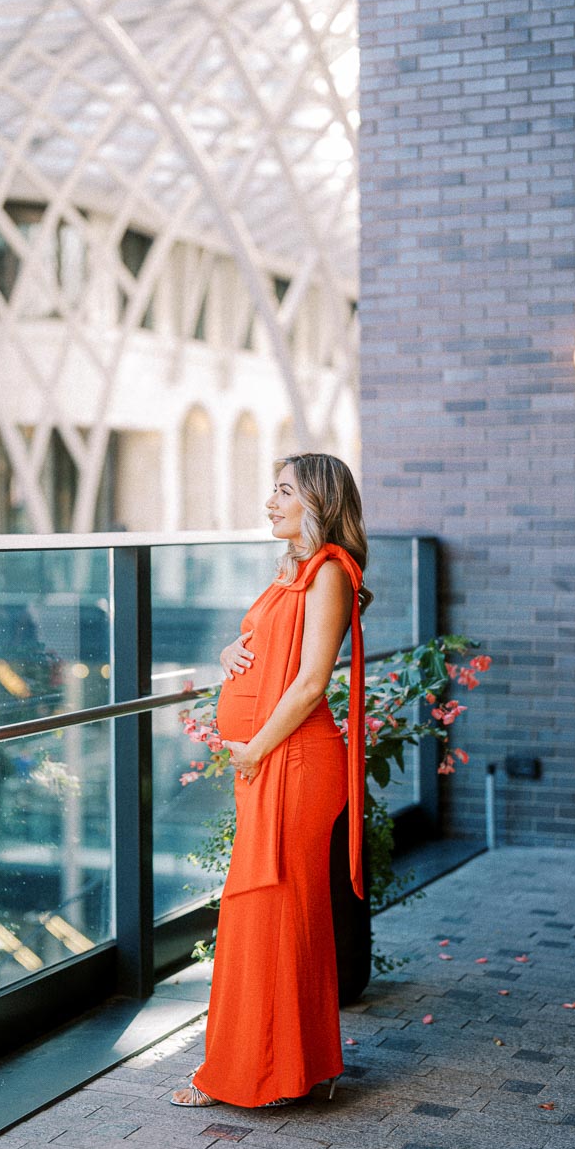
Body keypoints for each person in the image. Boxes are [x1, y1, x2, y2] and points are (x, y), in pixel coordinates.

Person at [171, 452, 372, 1109]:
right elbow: (262, 648)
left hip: (294, 762)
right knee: (271, 914)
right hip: (271, 760)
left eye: (283, 491)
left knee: (272, 911)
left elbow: (313, 681)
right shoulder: (292, 572)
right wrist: (232, 652)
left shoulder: (329, 575)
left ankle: (261, 1073)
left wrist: (255, 746)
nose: (269, 501)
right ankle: (289, 1067)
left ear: (316, 501)